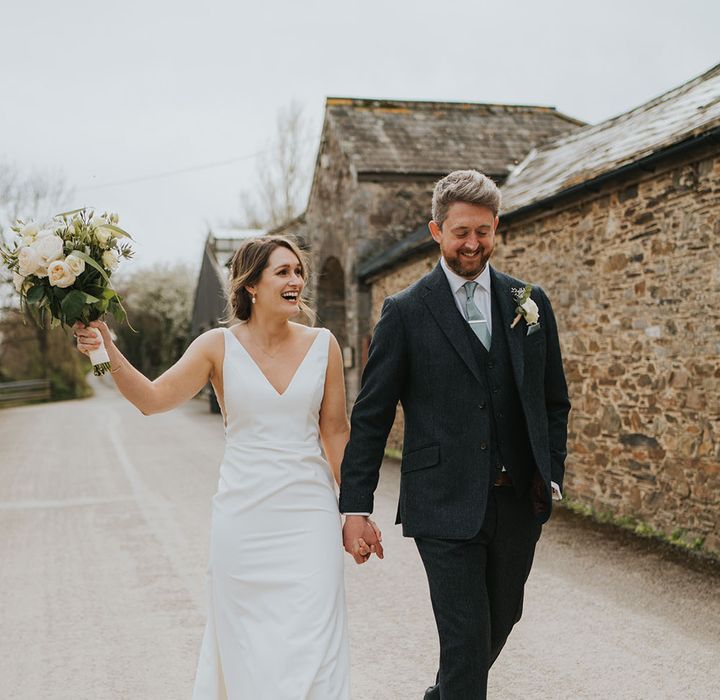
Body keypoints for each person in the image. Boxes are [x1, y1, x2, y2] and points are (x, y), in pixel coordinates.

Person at [74, 236, 382, 699]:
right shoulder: (216, 346)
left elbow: (336, 431)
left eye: (298, 271)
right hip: (245, 520)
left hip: (309, 518)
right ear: (251, 286)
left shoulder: (325, 345)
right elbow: (152, 400)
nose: (296, 280)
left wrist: (355, 510)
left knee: (315, 642)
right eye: (283, 272)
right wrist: (106, 349)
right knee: (249, 648)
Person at [339, 170, 571, 699]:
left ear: (496, 228)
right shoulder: (404, 311)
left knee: (502, 617)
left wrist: (549, 470)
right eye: (462, 232)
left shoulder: (528, 302)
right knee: (466, 641)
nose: (473, 244)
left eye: (483, 232)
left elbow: (554, 399)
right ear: (436, 230)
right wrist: (355, 506)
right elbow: (372, 416)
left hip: (517, 502)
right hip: (442, 503)